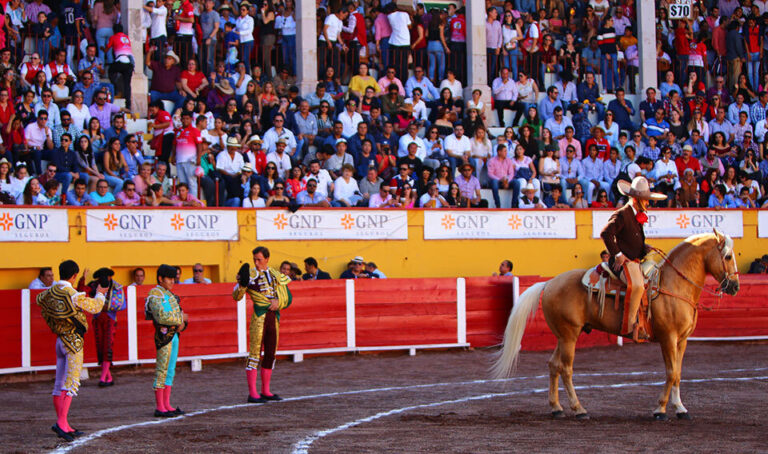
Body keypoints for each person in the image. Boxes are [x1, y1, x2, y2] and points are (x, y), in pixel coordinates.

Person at [36, 260, 106, 441]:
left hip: (59, 340)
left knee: (59, 383)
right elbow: (96, 307)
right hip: (73, 342)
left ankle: (64, 424)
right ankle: (61, 423)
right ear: (74, 276)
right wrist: (100, 294)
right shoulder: (73, 294)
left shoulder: (49, 293)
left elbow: (39, 301)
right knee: (71, 382)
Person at [601, 176, 667, 342]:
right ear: (637, 199)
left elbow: (630, 239)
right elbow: (606, 234)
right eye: (646, 200)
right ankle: (629, 326)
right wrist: (618, 255)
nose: (648, 204)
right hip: (623, 262)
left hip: (634, 260)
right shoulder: (623, 214)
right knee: (637, 285)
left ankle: (644, 323)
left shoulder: (635, 215)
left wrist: (644, 248)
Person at [233, 247, 292, 403]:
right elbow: (237, 296)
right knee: (254, 354)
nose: (256, 263)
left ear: (267, 259)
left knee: (271, 353)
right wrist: (241, 283)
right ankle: (253, 393)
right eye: (254, 259)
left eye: (259, 259)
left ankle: (266, 391)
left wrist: (278, 302)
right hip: (259, 318)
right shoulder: (250, 275)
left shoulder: (275, 274)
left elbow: (288, 297)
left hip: (274, 317)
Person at [145, 264, 188, 417]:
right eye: (169, 279)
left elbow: (182, 317)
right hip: (163, 336)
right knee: (162, 370)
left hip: (174, 335)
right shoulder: (155, 294)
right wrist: (180, 320)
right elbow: (161, 316)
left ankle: (167, 404)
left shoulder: (169, 295)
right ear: (160, 278)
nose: (172, 282)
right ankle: (160, 406)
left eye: (173, 279)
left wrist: (182, 323)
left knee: (170, 370)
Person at [77, 268, 125, 387]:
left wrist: (104, 307)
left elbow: (122, 304)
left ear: (110, 277)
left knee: (107, 346)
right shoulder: (94, 286)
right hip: (98, 319)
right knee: (101, 346)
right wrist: (82, 279)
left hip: (109, 319)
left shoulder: (116, 287)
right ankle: (108, 377)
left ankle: (103, 378)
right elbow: (81, 292)